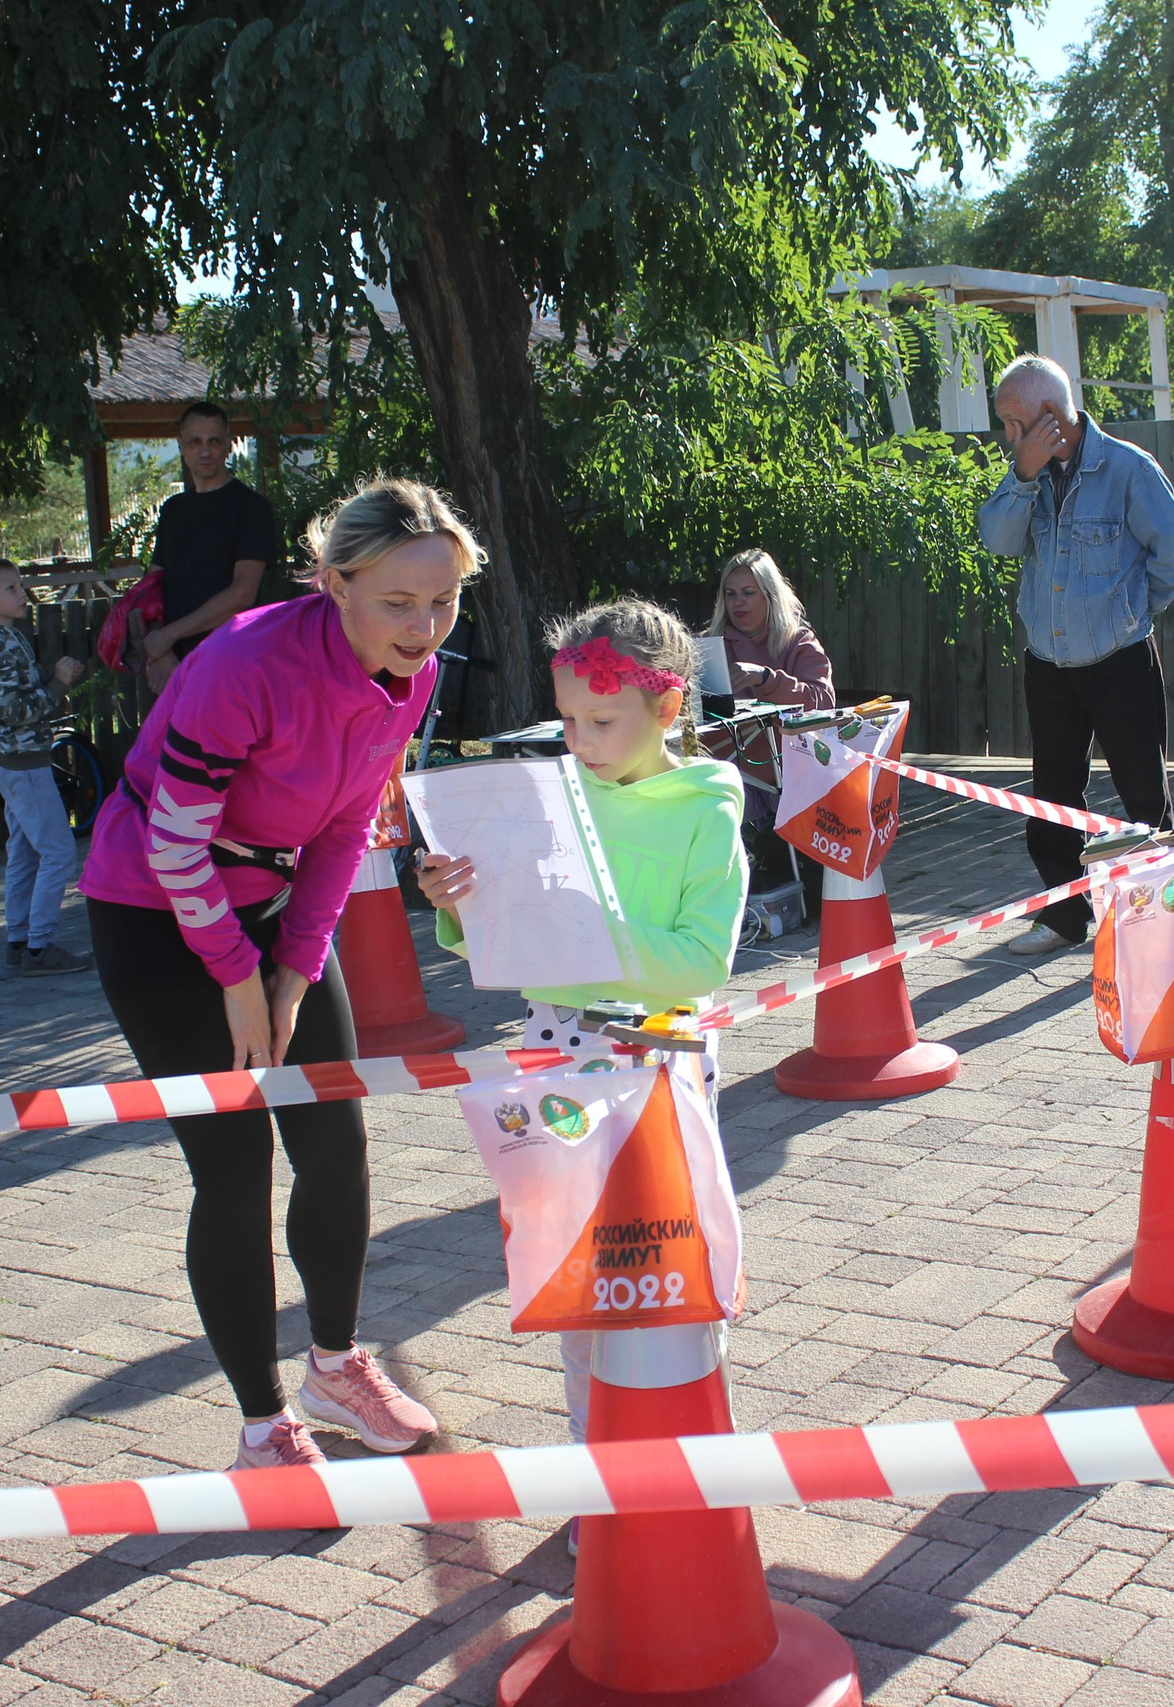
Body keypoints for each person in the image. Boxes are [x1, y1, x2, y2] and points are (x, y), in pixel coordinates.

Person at [78, 477, 474, 1470]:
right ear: (333, 583)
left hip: (267, 904)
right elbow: (175, 844)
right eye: (398, 601)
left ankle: (336, 1370)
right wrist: (236, 976)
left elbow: (347, 827)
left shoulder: (411, 670)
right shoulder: (246, 662)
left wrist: (294, 970)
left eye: (444, 600)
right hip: (153, 910)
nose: (424, 626)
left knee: (335, 1144)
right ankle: (263, 1428)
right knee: (234, 1168)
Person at [416, 597, 747, 1547]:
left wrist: (570, 930)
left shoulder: (706, 800)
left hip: (661, 1066)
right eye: (567, 719)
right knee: (577, 1278)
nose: (581, 739)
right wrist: (458, 898)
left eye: (602, 720)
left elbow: (701, 962)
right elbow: (501, 939)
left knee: (667, 1259)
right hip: (555, 1053)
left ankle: (689, 1461)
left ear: (669, 709)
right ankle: (594, 1477)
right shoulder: (547, 791)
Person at [978, 354, 1174, 957]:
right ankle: (1065, 918)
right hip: (1048, 665)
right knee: (1051, 797)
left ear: (1051, 416)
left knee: (1142, 793)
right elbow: (996, 541)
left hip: (1120, 661)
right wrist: (1021, 476)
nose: (1006, 437)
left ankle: (1168, 920)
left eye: (1013, 423)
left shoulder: (1128, 469)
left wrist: (1130, 612)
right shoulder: (1023, 476)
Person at [0, 559, 91, 976]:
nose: (23, 595)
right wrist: (58, 683)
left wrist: (50, 676)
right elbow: (16, 709)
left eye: (20, 586)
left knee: (22, 851)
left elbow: (15, 690)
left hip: (13, 759)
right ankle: (40, 948)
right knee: (57, 852)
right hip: (23, 762)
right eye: (12, 589)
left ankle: (19, 940)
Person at [138, 400, 281, 692]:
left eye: (214, 441)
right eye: (195, 441)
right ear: (180, 445)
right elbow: (151, 589)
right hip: (174, 665)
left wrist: (167, 637)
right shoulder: (173, 509)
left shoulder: (251, 508)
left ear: (228, 444)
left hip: (232, 660)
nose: (205, 450)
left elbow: (242, 594)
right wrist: (161, 650)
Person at [699, 547, 835, 711]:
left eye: (748, 593)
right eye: (731, 594)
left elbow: (823, 701)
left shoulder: (798, 641)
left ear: (771, 596)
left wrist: (765, 678)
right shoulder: (707, 645)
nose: (738, 602)